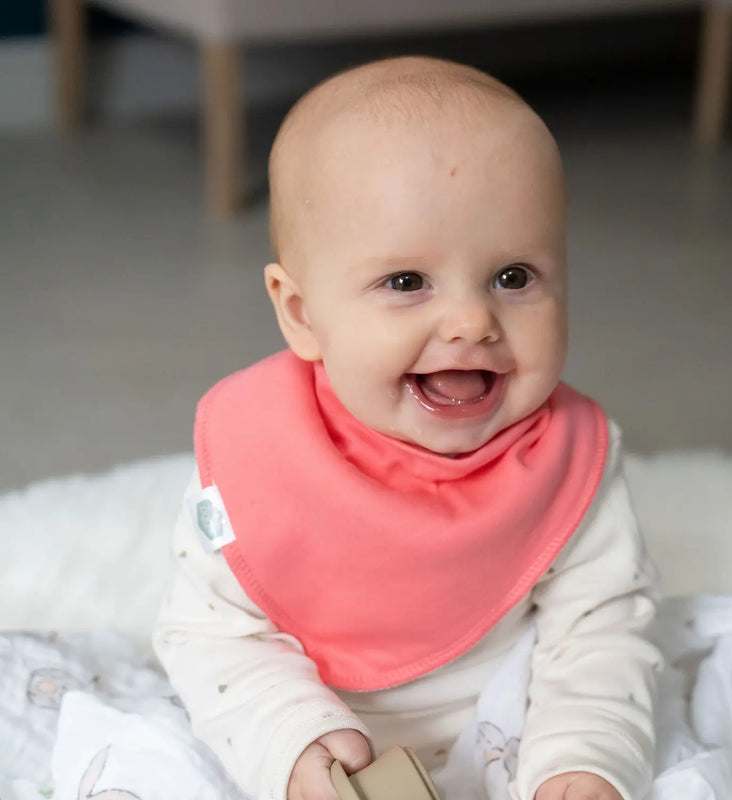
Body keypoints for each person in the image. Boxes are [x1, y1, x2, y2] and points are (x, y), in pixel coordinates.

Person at [153, 55, 662, 800]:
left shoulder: (569, 459)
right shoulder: (256, 456)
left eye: (514, 277)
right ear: (300, 313)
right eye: (405, 282)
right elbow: (210, 638)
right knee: (140, 758)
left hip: (513, 727)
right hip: (317, 737)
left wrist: (583, 761)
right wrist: (295, 743)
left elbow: (600, 634)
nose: (470, 322)